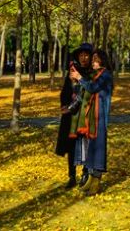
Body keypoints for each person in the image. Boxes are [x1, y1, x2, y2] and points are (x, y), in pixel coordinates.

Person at [70, 48, 114, 195]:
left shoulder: (105, 75)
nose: (93, 62)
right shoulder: (96, 74)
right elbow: (86, 89)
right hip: (92, 117)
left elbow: (92, 87)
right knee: (92, 147)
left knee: (98, 147)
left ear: (102, 61)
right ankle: (91, 178)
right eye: (93, 60)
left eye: (96, 60)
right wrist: (77, 80)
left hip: (100, 117)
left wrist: (80, 78)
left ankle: (96, 181)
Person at [55, 43, 92, 189]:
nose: (83, 58)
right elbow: (65, 91)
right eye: (81, 55)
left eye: (86, 55)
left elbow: (88, 93)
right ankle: (71, 176)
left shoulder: (90, 73)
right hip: (70, 117)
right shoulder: (72, 71)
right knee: (70, 146)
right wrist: (65, 105)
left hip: (84, 116)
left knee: (85, 145)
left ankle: (85, 174)